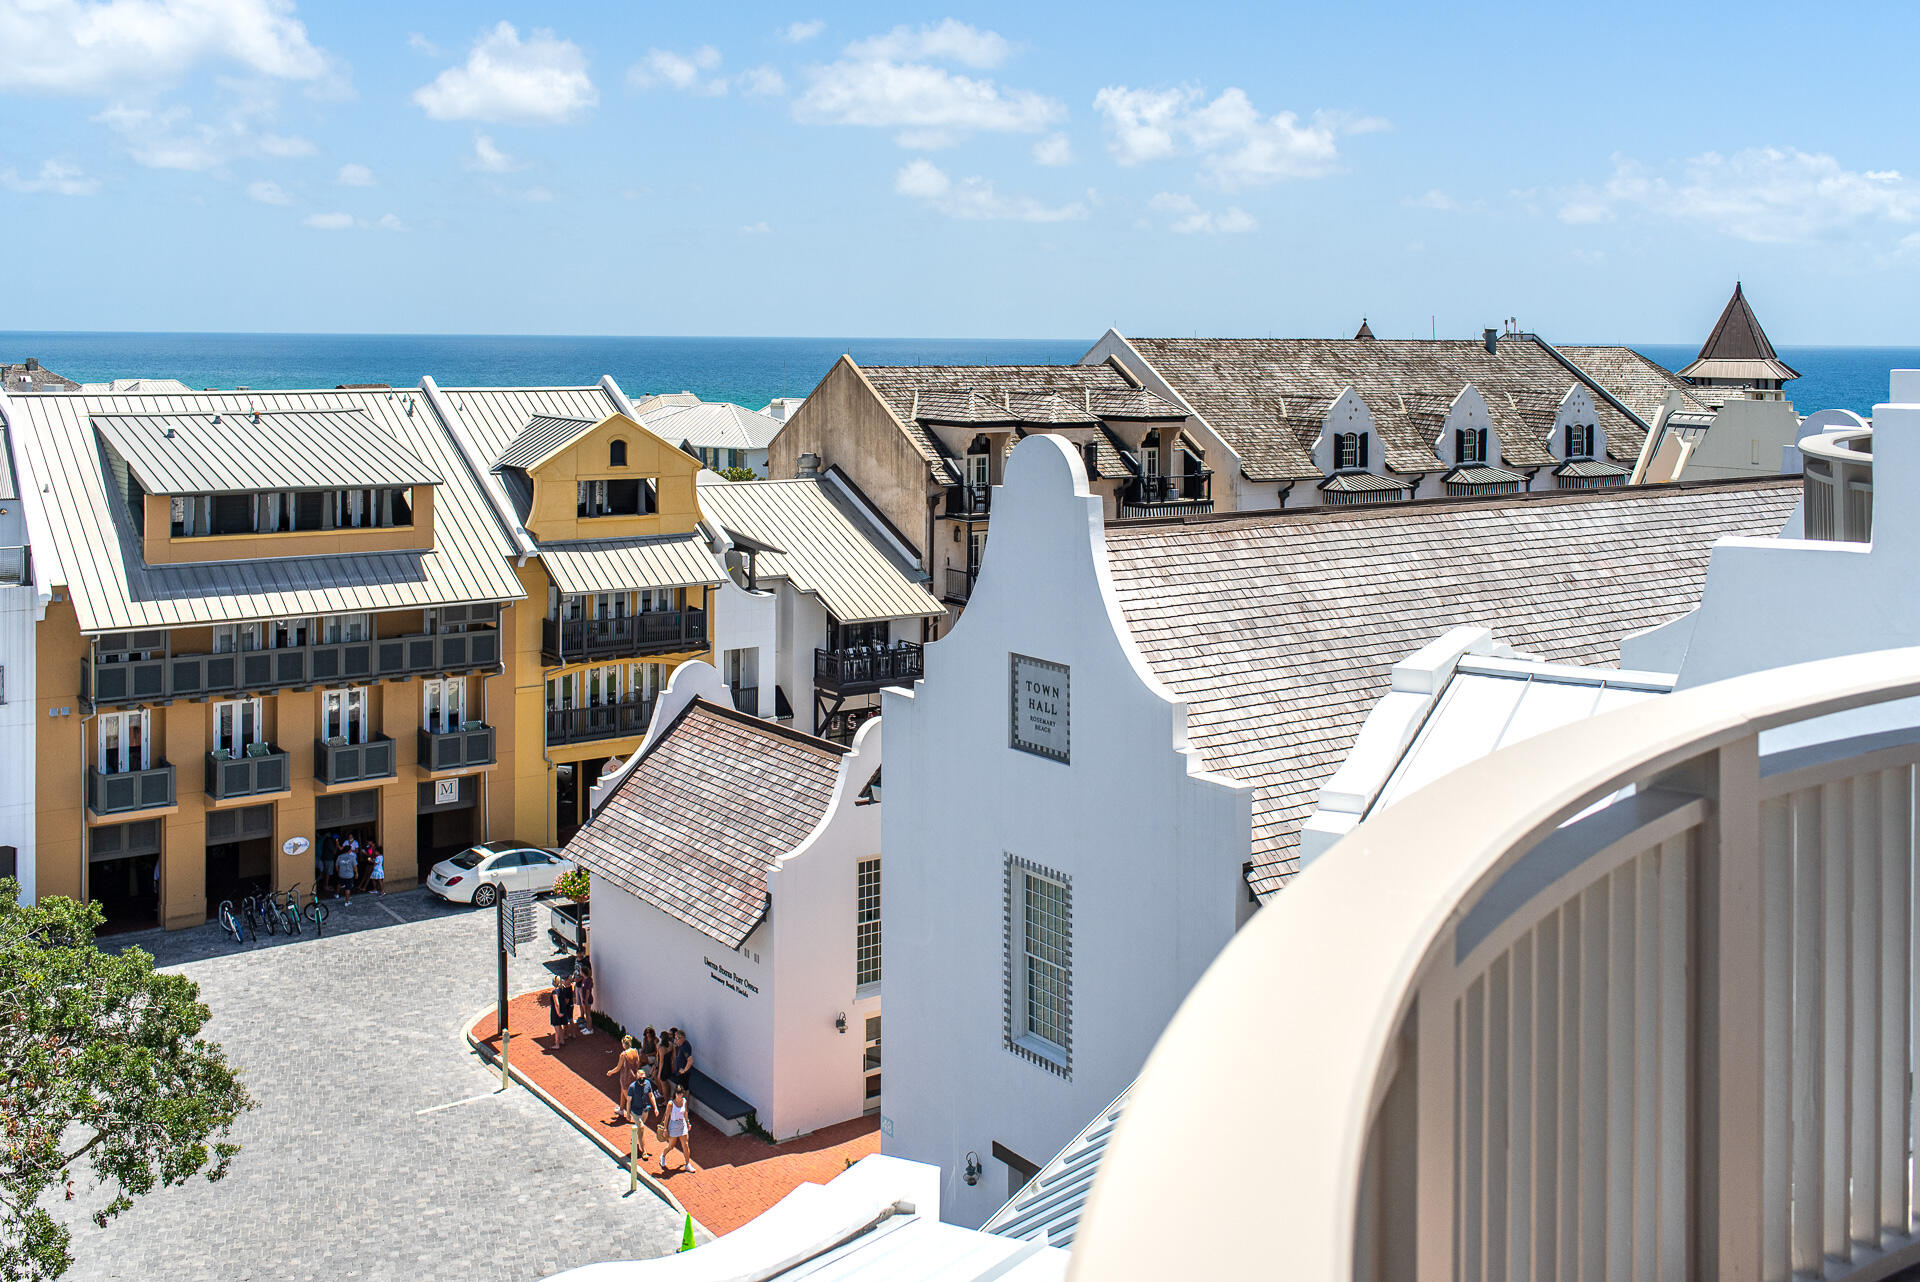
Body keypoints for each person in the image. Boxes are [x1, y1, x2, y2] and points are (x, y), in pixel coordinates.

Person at [607, 1035, 643, 1122]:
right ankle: (621, 1109)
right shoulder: (635, 1051)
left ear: (623, 1044)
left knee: (629, 1098)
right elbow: (638, 1063)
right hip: (633, 1076)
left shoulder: (623, 1054)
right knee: (623, 1093)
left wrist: (610, 1072)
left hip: (625, 1077)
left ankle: (636, 1115)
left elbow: (618, 1068)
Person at [664, 1085, 692, 1174]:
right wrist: (665, 1129)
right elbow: (666, 1117)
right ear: (675, 1094)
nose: (679, 1096)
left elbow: (685, 1112)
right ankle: (663, 1156)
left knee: (685, 1144)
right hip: (673, 1125)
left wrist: (688, 1122)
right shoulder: (670, 1104)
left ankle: (687, 1164)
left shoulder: (684, 1101)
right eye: (678, 1094)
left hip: (682, 1124)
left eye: (681, 1094)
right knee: (671, 1146)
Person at [548, 974, 573, 1049]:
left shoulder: (554, 992)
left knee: (557, 1028)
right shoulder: (562, 990)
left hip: (556, 1013)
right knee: (560, 1027)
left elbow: (556, 1003)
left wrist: (558, 1012)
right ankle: (562, 1040)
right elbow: (565, 1001)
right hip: (563, 1011)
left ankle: (557, 1044)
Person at [573, 959, 594, 1035]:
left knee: (588, 1014)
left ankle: (590, 1028)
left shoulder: (587, 980)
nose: (580, 972)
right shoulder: (584, 980)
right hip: (585, 1000)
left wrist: (585, 1000)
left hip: (587, 1000)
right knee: (586, 1014)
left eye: (581, 971)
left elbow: (587, 991)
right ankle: (587, 1027)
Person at [668, 1028, 693, 1093]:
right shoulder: (680, 1045)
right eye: (675, 1038)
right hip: (678, 1071)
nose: (675, 1040)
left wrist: (684, 1070)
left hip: (683, 1073)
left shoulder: (685, 1047)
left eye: (677, 1038)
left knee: (684, 1089)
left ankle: (685, 1102)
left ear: (682, 1038)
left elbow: (690, 1060)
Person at [335, 837, 358, 905]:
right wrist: (356, 873)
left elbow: (336, 865)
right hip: (349, 875)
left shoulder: (339, 857)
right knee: (348, 888)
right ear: (349, 851)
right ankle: (346, 902)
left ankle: (336, 894)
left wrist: (338, 871)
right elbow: (355, 866)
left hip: (341, 874)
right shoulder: (352, 857)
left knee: (339, 884)